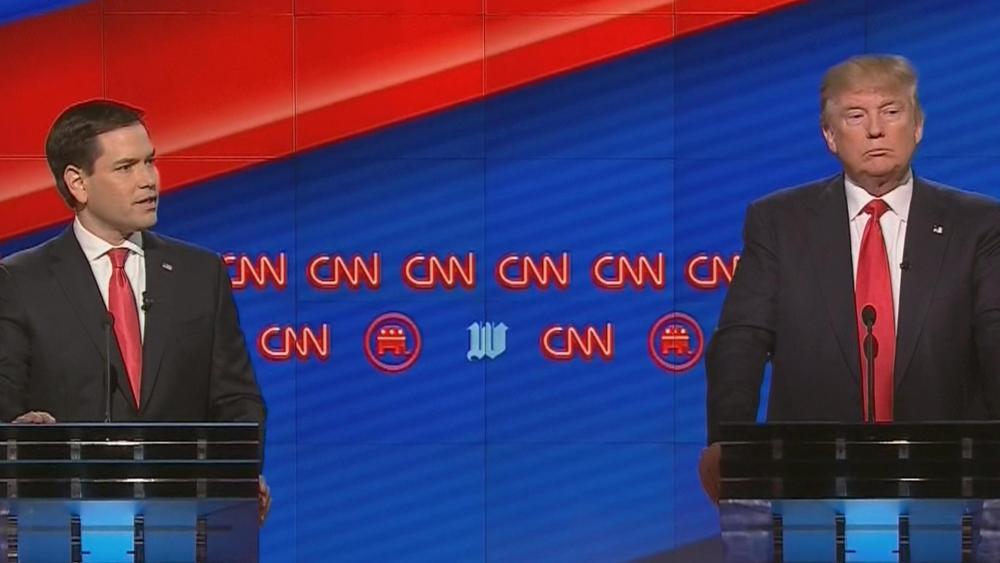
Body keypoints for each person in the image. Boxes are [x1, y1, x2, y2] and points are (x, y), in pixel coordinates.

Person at [700, 55, 1000, 503]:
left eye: (891, 111)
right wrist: (730, 444)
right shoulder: (779, 222)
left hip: (946, 477)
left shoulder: (977, 223)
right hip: (811, 477)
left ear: (918, 126)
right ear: (829, 135)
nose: (875, 129)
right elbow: (742, 339)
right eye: (855, 116)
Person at [0, 100, 271, 523]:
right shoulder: (20, 281)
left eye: (150, 162)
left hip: (180, 523)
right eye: (125, 168)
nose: (148, 180)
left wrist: (237, 473)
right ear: (78, 183)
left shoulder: (200, 273)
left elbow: (237, 400)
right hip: (61, 524)